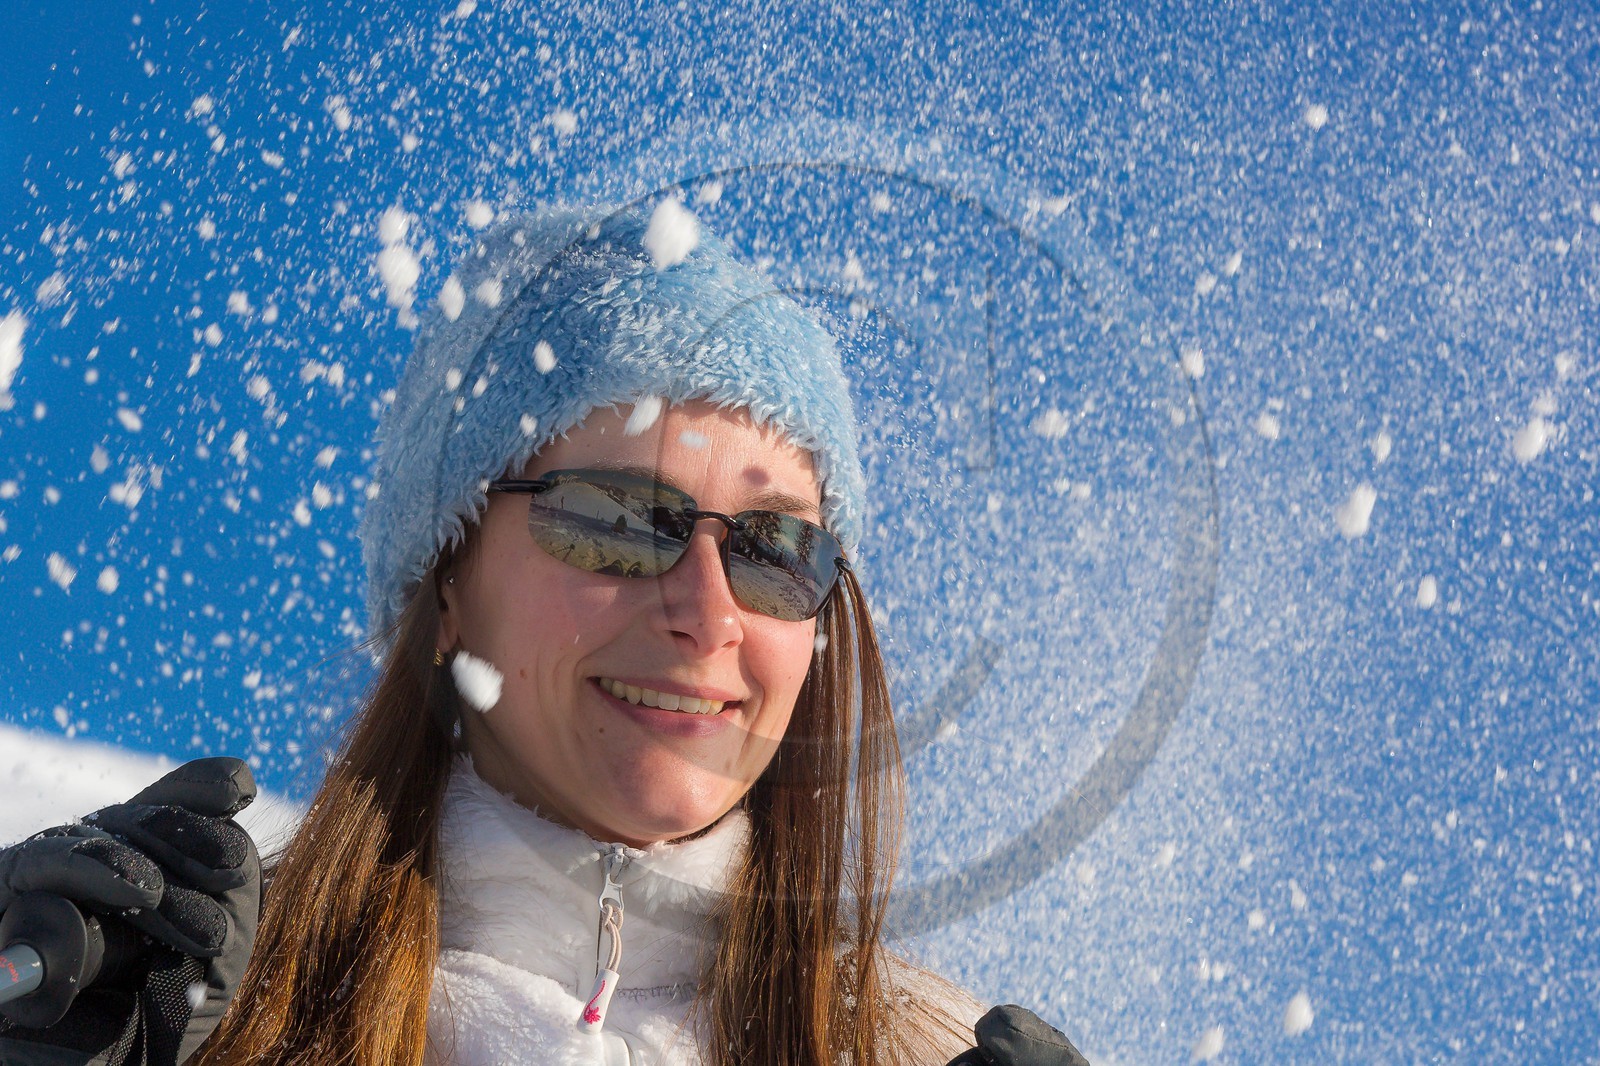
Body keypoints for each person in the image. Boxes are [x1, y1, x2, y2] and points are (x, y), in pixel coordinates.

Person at [0, 204, 1088, 1065]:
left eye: (771, 545)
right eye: (619, 520)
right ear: (451, 583)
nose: (710, 611)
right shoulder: (190, 1006)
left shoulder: (919, 1050)